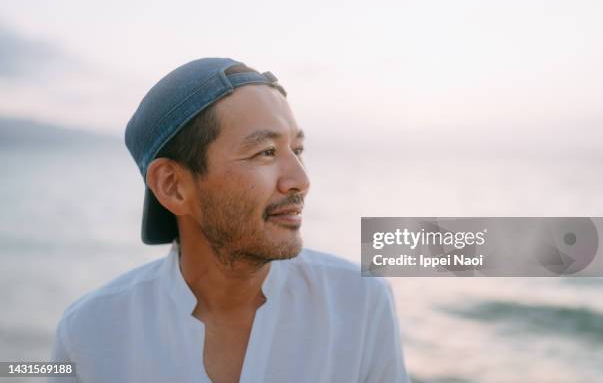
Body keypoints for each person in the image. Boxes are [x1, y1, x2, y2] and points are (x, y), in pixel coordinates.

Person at [50, 58, 410, 382]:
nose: (300, 180)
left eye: (297, 150)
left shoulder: (360, 303)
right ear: (173, 186)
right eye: (265, 152)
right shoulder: (89, 333)